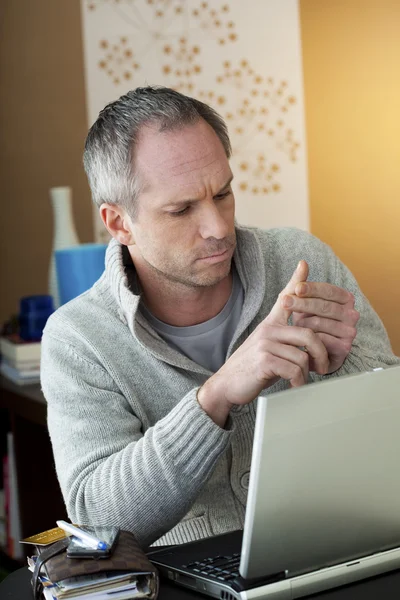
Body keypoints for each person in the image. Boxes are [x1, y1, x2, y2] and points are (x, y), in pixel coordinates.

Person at [41, 86, 399, 550]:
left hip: (337, 552)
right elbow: (97, 518)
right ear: (119, 223)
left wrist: (342, 366)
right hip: (182, 583)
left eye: (224, 193)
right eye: (182, 209)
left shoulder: (301, 260)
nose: (218, 227)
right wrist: (215, 396)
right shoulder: (79, 338)